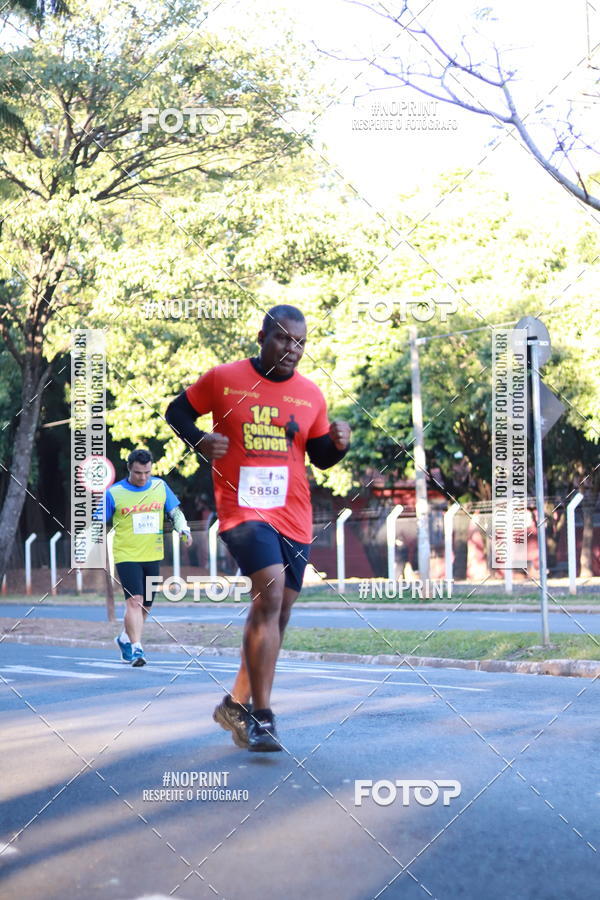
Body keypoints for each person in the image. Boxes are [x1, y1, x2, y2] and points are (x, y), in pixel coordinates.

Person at [166, 305, 351, 751]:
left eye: (301, 342)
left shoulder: (311, 395)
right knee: (268, 596)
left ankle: (235, 704)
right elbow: (177, 413)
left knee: (277, 613)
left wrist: (340, 445)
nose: (293, 349)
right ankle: (261, 718)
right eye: (285, 339)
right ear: (262, 336)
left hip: (295, 515)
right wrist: (200, 440)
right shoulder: (223, 379)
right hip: (242, 509)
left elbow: (320, 455)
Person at [104, 449, 192, 667]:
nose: (143, 477)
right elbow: (98, 522)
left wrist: (184, 530)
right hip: (126, 555)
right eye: (138, 473)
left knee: (146, 605)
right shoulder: (113, 493)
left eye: (147, 472)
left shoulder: (160, 487)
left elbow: (176, 513)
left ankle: (124, 639)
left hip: (152, 553)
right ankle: (136, 649)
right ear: (129, 469)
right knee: (135, 601)